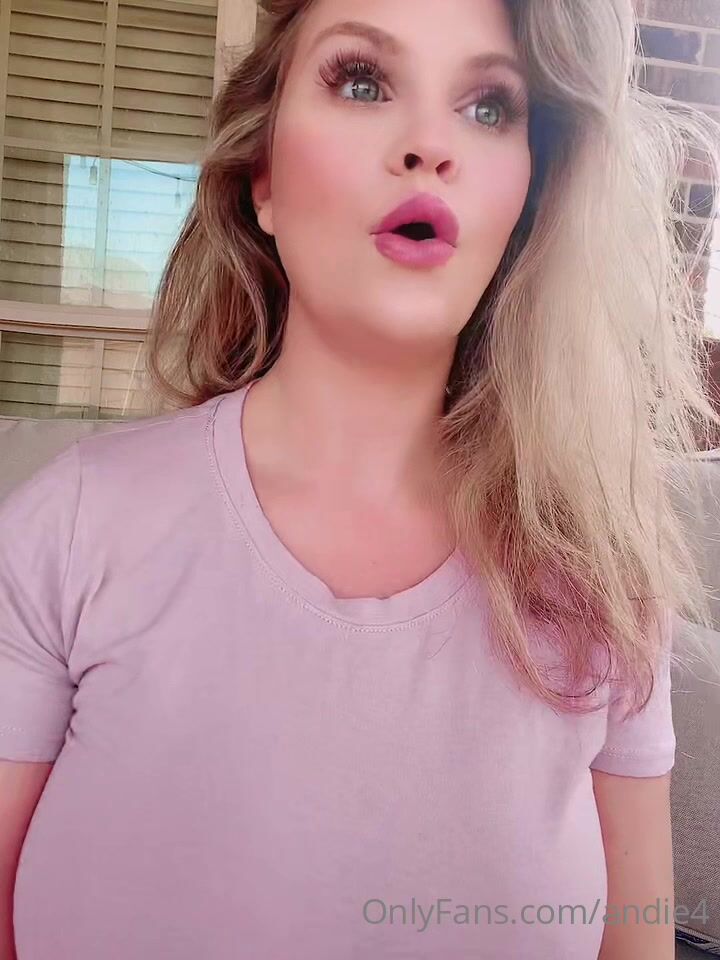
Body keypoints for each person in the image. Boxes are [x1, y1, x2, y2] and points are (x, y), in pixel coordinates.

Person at [1, 0, 718, 957]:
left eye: (490, 107)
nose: (430, 146)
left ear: (530, 197)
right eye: (363, 82)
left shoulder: (604, 583)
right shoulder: (69, 528)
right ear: (262, 179)